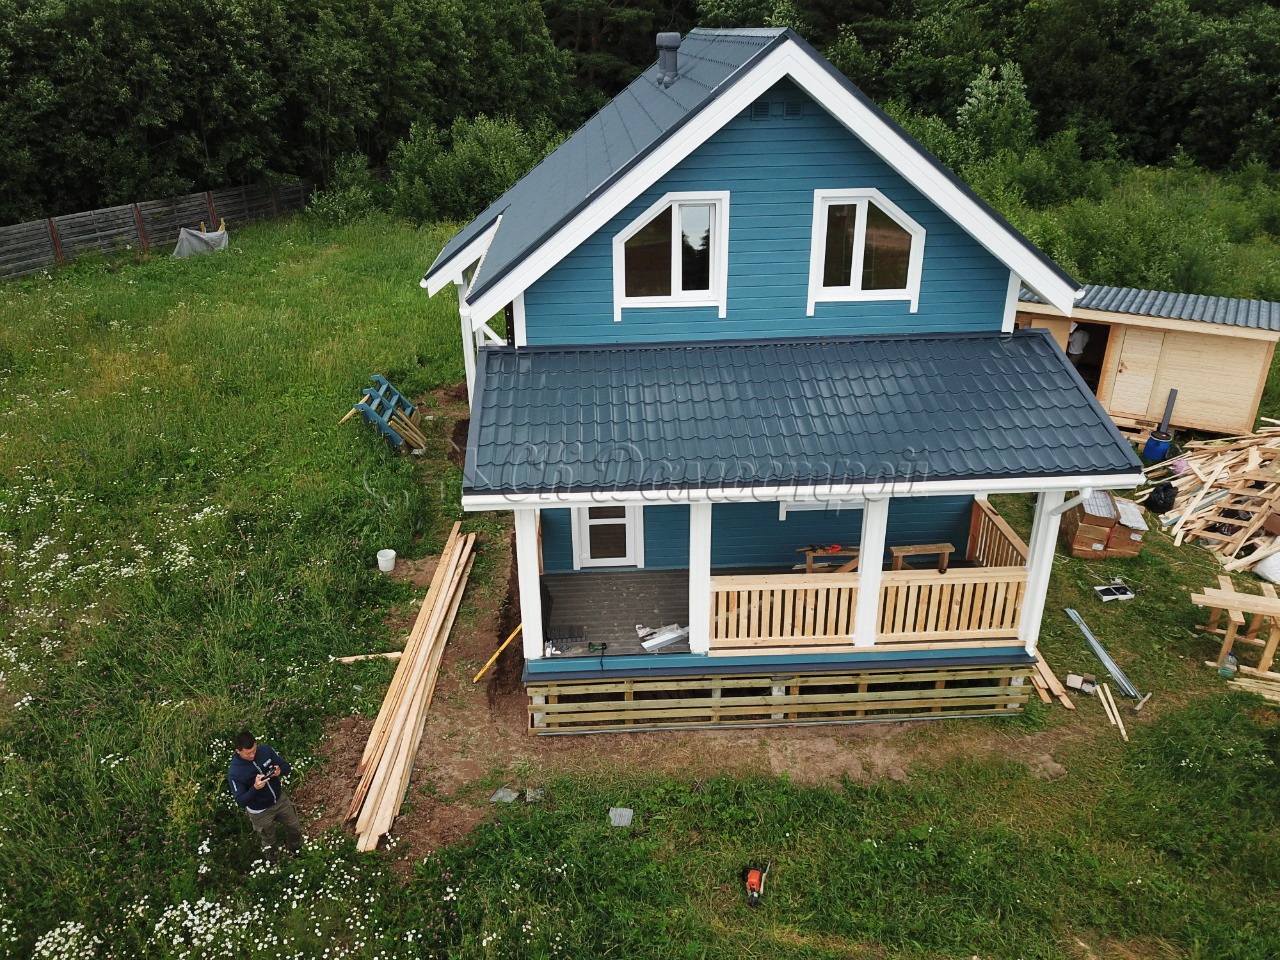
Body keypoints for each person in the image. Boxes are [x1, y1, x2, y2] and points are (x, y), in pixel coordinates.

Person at [228, 731, 303, 863]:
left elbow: (286, 767)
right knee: (269, 841)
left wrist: (280, 770)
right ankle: (273, 862)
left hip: (280, 800)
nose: (252, 755)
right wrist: (255, 788)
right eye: (248, 753)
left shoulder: (265, 751)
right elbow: (241, 801)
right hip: (260, 812)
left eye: (254, 750)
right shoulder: (235, 772)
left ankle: (296, 850)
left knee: (295, 827)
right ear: (238, 751)